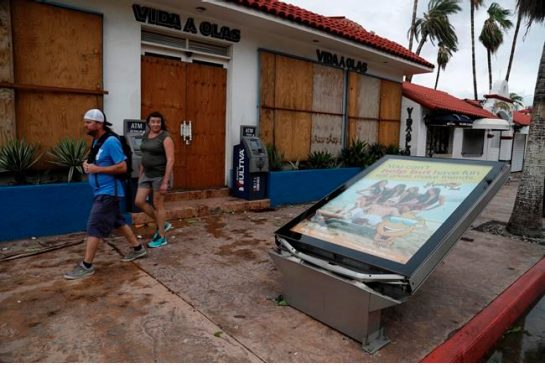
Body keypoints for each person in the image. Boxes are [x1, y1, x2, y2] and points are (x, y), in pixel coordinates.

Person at [64, 109, 145, 280]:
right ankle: (138, 249)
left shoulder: (111, 142)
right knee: (118, 221)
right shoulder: (97, 141)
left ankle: (86, 266)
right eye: (85, 121)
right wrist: (88, 165)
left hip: (108, 192)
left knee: (94, 226)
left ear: (99, 124)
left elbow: (122, 167)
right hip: (102, 191)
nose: (85, 125)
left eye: (88, 122)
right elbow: (98, 162)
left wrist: (97, 169)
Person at [134, 111, 175, 248]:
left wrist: (165, 180)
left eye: (158, 121)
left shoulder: (165, 137)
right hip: (146, 174)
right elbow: (144, 156)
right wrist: (141, 174)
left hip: (160, 175)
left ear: (161, 123)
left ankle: (161, 237)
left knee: (158, 205)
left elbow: (170, 160)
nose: (156, 124)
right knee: (139, 201)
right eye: (153, 122)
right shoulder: (146, 135)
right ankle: (162, 223)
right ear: (149, 123)